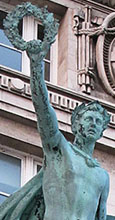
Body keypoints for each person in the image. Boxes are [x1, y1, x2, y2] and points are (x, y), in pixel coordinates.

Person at [0, 41, 110, 220]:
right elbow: (43, 109)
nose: (94, 124)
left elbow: (101, 216)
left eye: (98, 122)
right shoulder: (59, 150)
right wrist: (36, 67)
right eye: (89, 119)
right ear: (75, 125)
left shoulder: (103, 176)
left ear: (102, 131)